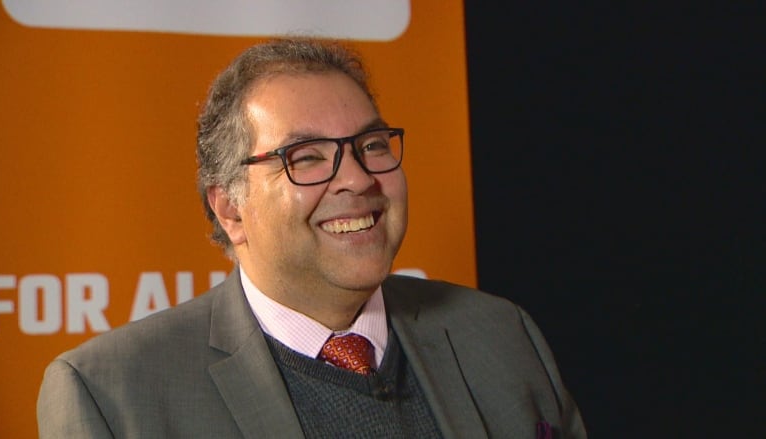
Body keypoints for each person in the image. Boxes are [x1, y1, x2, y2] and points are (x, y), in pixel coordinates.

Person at [37, 37, 587, 438]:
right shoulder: (111, 395)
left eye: (371, 145)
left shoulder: (501, 334)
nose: (357, 178)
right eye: (306, 158)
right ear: (230, 208)